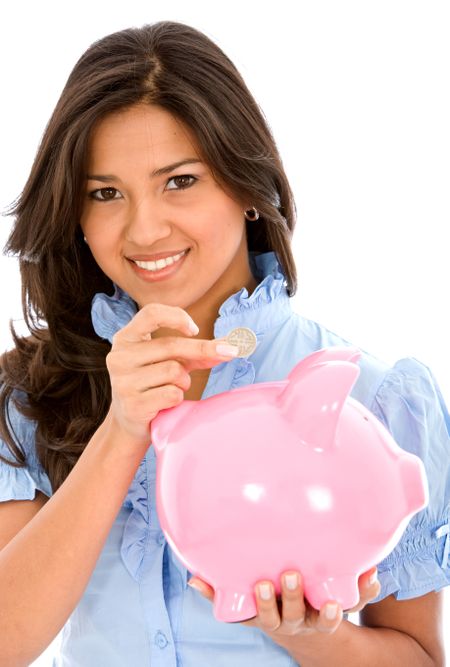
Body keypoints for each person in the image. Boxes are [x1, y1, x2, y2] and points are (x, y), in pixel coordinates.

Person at [0, 20, 448, 667]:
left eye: (179, 180)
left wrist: (312, 635)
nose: (145, 228)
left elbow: (421, 657)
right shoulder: (36, 390)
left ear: (245, 185)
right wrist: (123, 428)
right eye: (105, 193)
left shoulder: (376, 396)